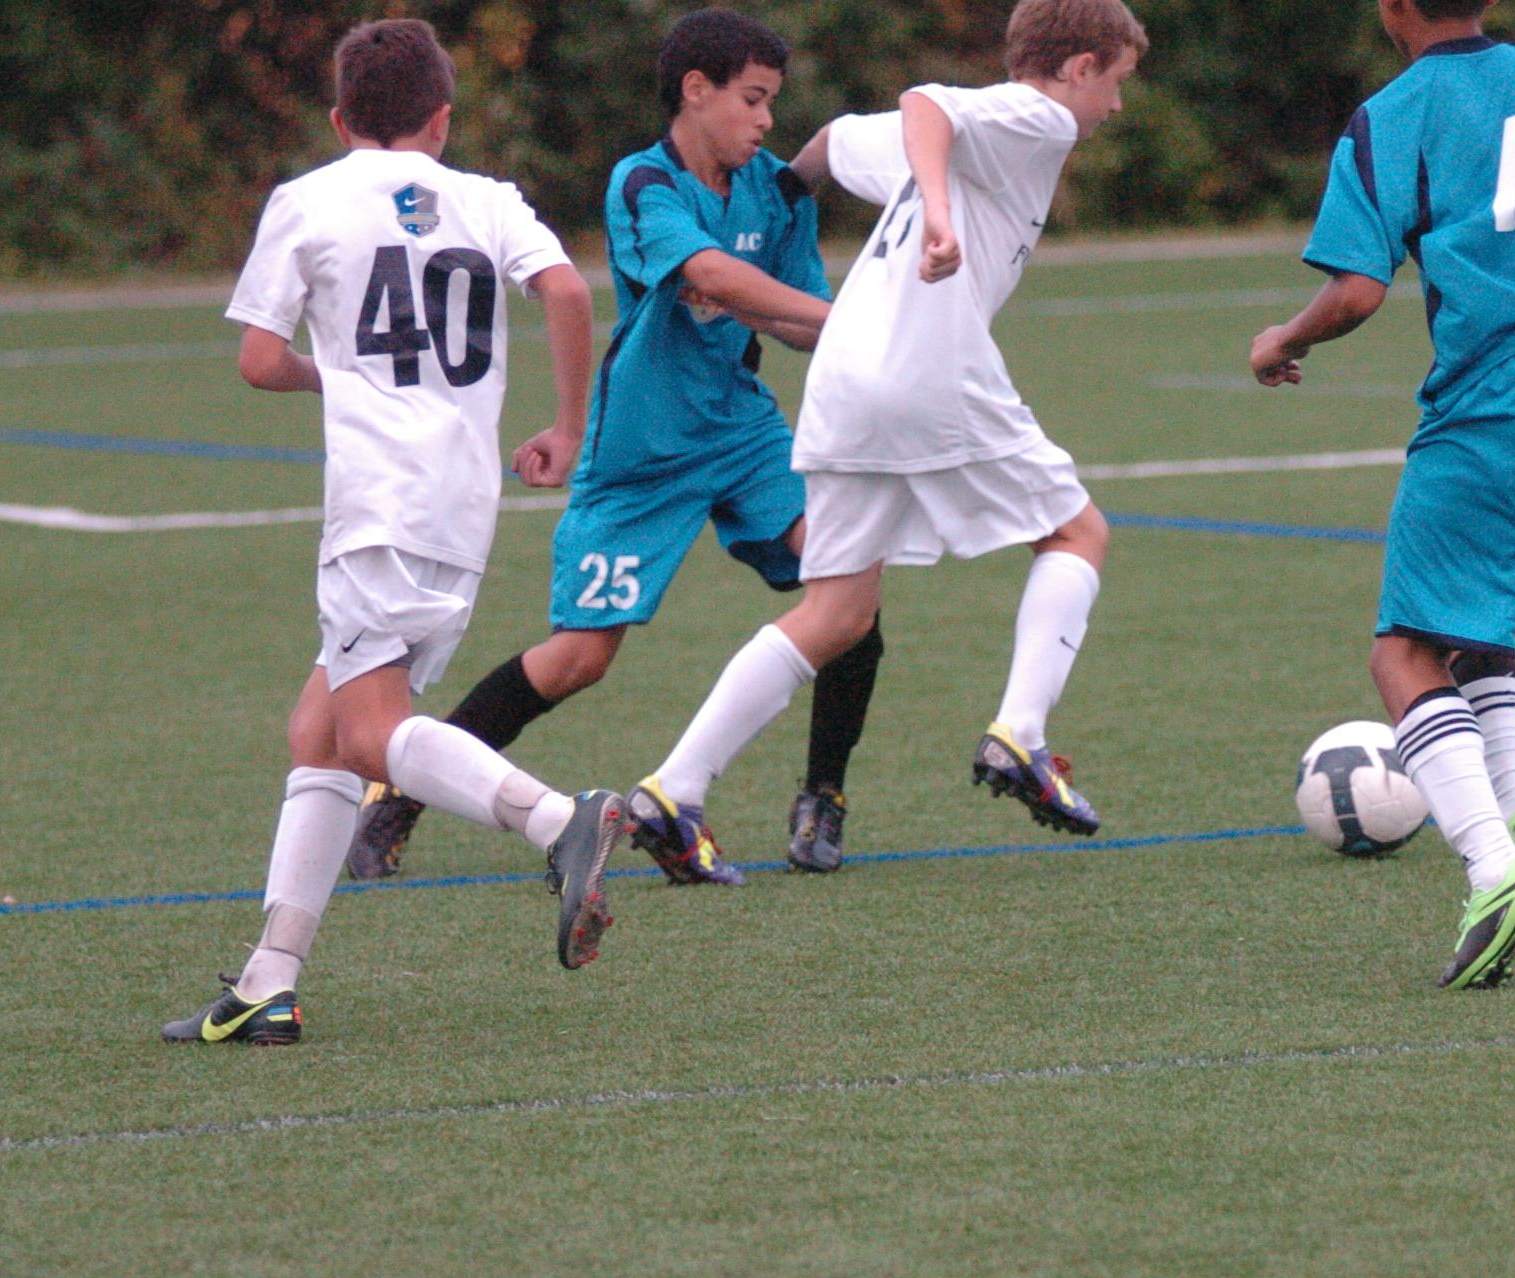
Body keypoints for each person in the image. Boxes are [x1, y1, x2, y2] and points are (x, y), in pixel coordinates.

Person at [163, 18, 623, 1046]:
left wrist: (335, 378)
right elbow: (564, 288)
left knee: (370, 735)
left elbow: (258, 360)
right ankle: (269, 982)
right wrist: (567, 427)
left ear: (339, 121)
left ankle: (561, 822)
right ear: (442, 119)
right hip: (460, 501)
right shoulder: (488, 199)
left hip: (377, 503)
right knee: (321, 732)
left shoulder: (309, 200)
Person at [346, 9, 883, 887]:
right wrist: (846, 319)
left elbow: (796, 322)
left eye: (772, 104)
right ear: (695, 90)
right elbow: (708, 275)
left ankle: (821, 799)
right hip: (641, 454)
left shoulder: (776, 192)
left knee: (850, 591)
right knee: (578, 660)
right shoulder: (642, 182)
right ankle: (400, 794)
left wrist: (874, 332)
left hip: (744, 434)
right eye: (752, 100)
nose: (766, 121)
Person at [623, 0, 1147, 872]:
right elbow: (925, 102)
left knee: (835, 615)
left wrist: (787, 191)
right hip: (926, 368)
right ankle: (1020, 734)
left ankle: (674, 790)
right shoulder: (1040, 115)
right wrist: (938, 211)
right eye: (1118, 81)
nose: (1117, 105)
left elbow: (833, 141)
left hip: (845, 378)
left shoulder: (977, 130)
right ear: (1081, 67)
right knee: (1077, 532)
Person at [1249, 0, 1515, 989]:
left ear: (1390, 7)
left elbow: (1357, 291)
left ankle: (1494, 871)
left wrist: (1284, 337)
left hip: (1494, 394)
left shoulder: (1390, 115)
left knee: (1403, 651)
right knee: (1476, 620)